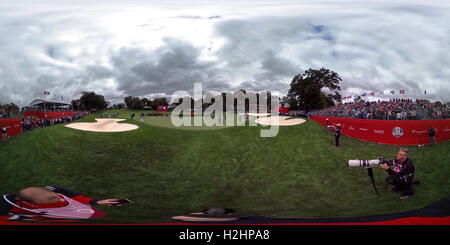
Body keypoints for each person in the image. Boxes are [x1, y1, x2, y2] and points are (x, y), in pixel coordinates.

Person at [0, 186, 122, 221]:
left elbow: (71, 195)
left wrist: (96, 202)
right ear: (35, 203)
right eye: (51, 200)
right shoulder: (6, 205)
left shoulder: (54, 190)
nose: (58, 198)